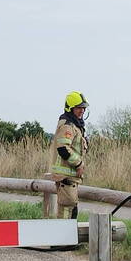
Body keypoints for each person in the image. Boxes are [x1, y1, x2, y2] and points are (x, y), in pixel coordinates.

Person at [50, 91, 89, 219]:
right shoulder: (68, 126)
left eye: (83, 108)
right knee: (67, 210)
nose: (82, 110)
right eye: (78, 108)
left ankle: (67, 237)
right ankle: (64, 238)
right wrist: (79, 163)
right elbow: (63, 148)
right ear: (70, 108)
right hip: (66, 177)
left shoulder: (74, 125)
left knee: (71, 209)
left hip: (69, 177)